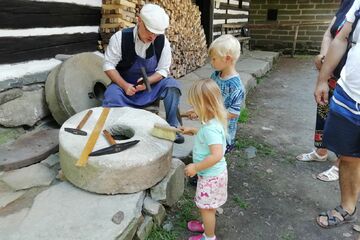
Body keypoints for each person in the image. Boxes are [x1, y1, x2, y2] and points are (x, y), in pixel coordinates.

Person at [102, 3, 184, 144]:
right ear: (139, 20)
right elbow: (108, 65)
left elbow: (163, 70)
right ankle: (118, 130)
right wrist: (124, 85)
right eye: (149, 31)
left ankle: (172, 128)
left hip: (150, 87)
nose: (153, 37)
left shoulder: (162, 42)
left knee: (172, 86)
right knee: (111, 95)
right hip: (124, 86)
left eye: (156, 34)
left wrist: (148, 82)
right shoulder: (120, 38)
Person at [296, 0, 355, 182]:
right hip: (332, 75)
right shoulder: (348, 3)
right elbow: (330, 34)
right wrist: (323, 58)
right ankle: (321, 151)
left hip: (352, 81)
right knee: (324, 113)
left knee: (346, 120)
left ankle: (340, 164)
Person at [315, 0, 360, 228]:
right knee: (348, 155)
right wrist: (323, 78)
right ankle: (347, 207)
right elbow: (341, 38)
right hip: (349, 94)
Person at [181, 79, 228, 240]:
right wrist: (193, 130)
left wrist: (195, 167)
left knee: (206, 208)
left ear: (204, 105)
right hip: (214, 174)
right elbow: (206, 135)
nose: (192, 109)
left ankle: (209, 236)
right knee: (209, 206)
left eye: (195, 105)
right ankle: (206, 225)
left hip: (211, 177)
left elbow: (216, 155)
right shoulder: (212, 121)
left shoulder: (211, 129)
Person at [187, 34, 245, 153]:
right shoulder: (215, 76)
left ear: (227, 59)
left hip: (223, 133)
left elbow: (233, 113)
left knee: (214, 158)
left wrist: (206, 112)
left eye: (214, 59)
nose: (211, 62)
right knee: (204, 152)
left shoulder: (236, 87)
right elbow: (209, 96)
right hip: (210, 126)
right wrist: (198, 109)